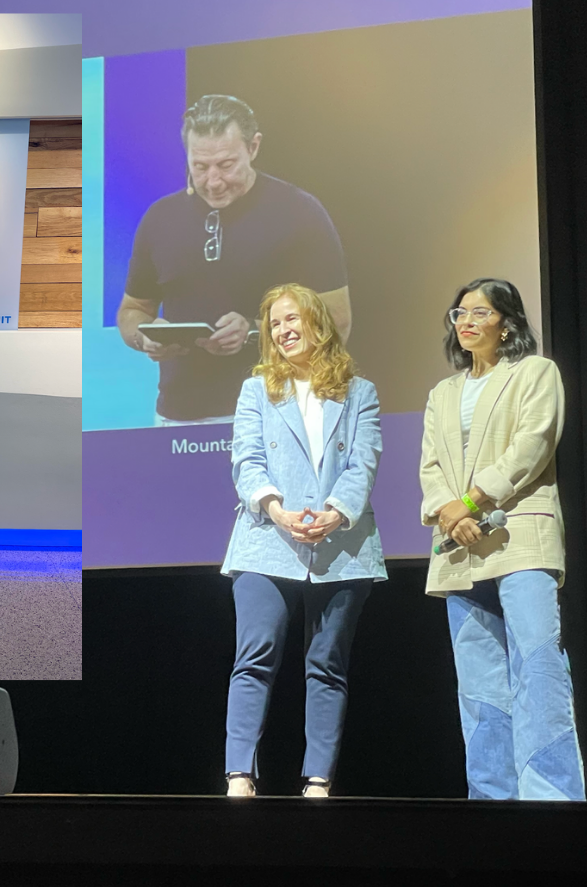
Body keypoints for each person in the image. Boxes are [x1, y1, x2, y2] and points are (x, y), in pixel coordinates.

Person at [420, 277, 586, 800]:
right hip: (458, 549)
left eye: (479, 313)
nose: (466, 322)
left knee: (537, 669)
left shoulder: (536, 373)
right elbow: (430, 469)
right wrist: (451, 515)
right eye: (458, 314)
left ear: (506, 323)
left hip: (520, 538)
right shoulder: (442, 393)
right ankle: (492, 806)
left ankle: (552, 802)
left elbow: (531, 446)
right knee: (480, 688)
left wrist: (471, 502)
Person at [220, 283, 386, 797]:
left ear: (317, 322)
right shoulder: (257, 390)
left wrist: (335, 514)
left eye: (292, 319)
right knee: (254, 657)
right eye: (273, 324)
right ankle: (240, 776)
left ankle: (318, 781)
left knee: (328, 665)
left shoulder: (360, 391)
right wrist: (276, 508)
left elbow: (363, 462)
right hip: (268, 538)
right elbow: (246, 460)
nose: (283, 330)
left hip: (342, 546)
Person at [117, 95, 350, 425]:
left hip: (279, 414)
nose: (213, 181)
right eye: (199, 167)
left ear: (253, 148)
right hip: (177, 418)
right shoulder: (160, 218)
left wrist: (256, 332)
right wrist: (144, 336)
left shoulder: (300, 212)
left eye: (226, 165)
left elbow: (338, 320)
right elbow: (132, 310)